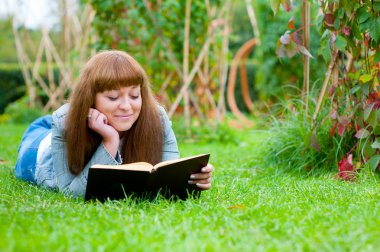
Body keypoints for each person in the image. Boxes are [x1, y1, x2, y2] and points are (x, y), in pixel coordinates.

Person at [14, 50, 213, 198]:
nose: (127, 106)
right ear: (91, 98)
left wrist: (194, 178)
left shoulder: (156, 117)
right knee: (38, 131)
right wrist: (110, 141)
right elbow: (71, 192)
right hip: (40, 150)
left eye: (135, 95)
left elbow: (168, 173)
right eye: (112, 97)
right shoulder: (64, 123)